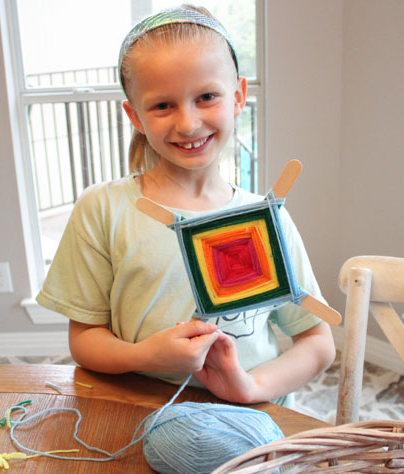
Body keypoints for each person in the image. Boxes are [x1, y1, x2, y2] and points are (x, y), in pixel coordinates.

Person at [37, 5, 335, 408]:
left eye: (207, 97)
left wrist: (251, 387)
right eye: (162, 106)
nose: (189, 124)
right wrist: (148, 355)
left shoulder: (268, 218)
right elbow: (85, 339)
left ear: (238, 96)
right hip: (141, 409)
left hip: (252, 419)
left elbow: (317, 340)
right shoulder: (103, 209)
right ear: (135, 115)